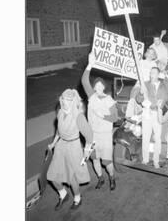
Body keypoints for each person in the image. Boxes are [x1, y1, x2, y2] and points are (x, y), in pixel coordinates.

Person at [47, 89, 94, 210]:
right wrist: (53, 142)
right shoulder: (60, 112)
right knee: (52, 175)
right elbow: (59, 129)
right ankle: (63, 194)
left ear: (73, 101)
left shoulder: (78, 116)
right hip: (61, 145)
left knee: (72, 178)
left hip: (73, 147)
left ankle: (77, 197)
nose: (64, 102)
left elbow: (89, 135)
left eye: (68, 100)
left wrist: (87, 151)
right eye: (63, 98)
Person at [81, 53, 118, 191]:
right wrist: (90, 64)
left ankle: (112, 178)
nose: (98, 87)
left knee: (106, 161)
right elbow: (85, 81)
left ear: (104, 87)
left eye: (100, 85)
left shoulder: (109, 100)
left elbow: (115, 118)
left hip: (105, 134)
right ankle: (101, 178)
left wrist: (102, 115)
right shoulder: (91, 97)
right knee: (94, 158)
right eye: (95, 85)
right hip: (93, 134)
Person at [132, 66, 168, 168]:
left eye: (154, 73)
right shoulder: (145, 84)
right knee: (146, 137)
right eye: (151, 73)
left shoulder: (162, 85)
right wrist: (140, 93)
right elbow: (138, 99)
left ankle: (156, 160)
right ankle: (145, 159)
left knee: (157, 138)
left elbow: (165, 97)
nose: (152, 75)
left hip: (157, 113)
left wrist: (160, 103)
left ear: (158, 74)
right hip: (146, 112)